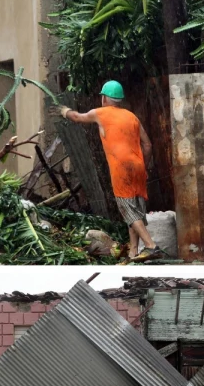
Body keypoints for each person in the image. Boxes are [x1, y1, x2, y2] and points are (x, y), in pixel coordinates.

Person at [58, 81, 165, 261]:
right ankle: (133, 252)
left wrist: (63, 110)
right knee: (135, 209)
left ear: (104, 98)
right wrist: (144, 166)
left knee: (127, 210)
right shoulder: (132, 117)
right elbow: (147, 145)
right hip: (138, 166)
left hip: (120, 168)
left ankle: (151, 246)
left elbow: (76, 117)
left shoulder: (100, 113)